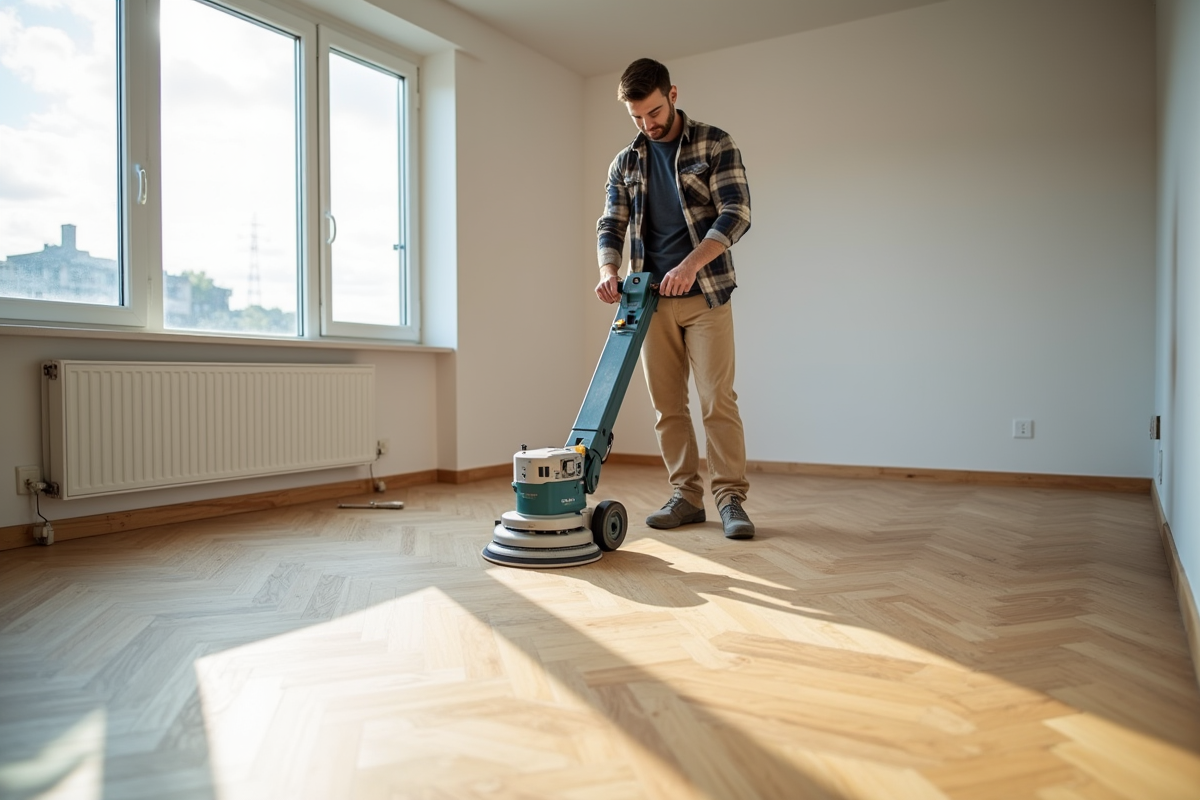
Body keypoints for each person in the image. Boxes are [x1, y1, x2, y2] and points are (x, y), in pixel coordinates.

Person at [595, 58, 754, 540]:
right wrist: (607, 270)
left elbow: (737, 211)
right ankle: (686, 497)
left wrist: (689, 265)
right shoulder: (625, 162)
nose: (649, 124)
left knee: (716, 401)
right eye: (638, 117)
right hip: (647, 300)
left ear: (674, 94)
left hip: (705, 293)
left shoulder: (714, 142)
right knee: (668, 406)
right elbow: (611, 224)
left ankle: (730, 500)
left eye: (655, 111)